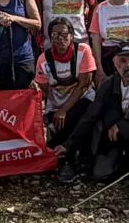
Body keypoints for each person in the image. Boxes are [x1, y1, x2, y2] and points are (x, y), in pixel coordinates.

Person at [36, 16, 98, 182]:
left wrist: (64, 110)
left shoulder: (83, 51)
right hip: (56, 104)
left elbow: (84, 84)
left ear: (72, 35)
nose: (60, 39)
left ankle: (68, 161)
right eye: (55, 35)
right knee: (58, 125)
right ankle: (63, 158)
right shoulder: (43, 59)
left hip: (82, 99)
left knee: (73, 118)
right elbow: (43, 89)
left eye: (64, 34)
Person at [86, 44, 129, 181]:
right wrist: (67, 145)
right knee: (99, 173)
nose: (128, 65)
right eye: (123, 61)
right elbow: (91, 114)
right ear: (115, 64)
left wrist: (123, 124)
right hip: (115, 136)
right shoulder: (109, 83)